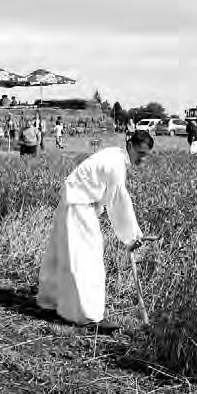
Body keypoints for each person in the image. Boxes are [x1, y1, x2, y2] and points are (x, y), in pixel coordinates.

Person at [36, 130, 153, 328]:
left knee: (63, 255)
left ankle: (51, 301)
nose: (142, 159)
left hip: (72, 203)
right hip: (80, 206)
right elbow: (118, 203)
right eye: (140, 153)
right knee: (88, 260)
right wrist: (132, 238)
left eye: (145, 155)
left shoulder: (113, 155)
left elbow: (112, 199)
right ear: (130, 146)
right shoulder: (116, 164)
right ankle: (89, 316)